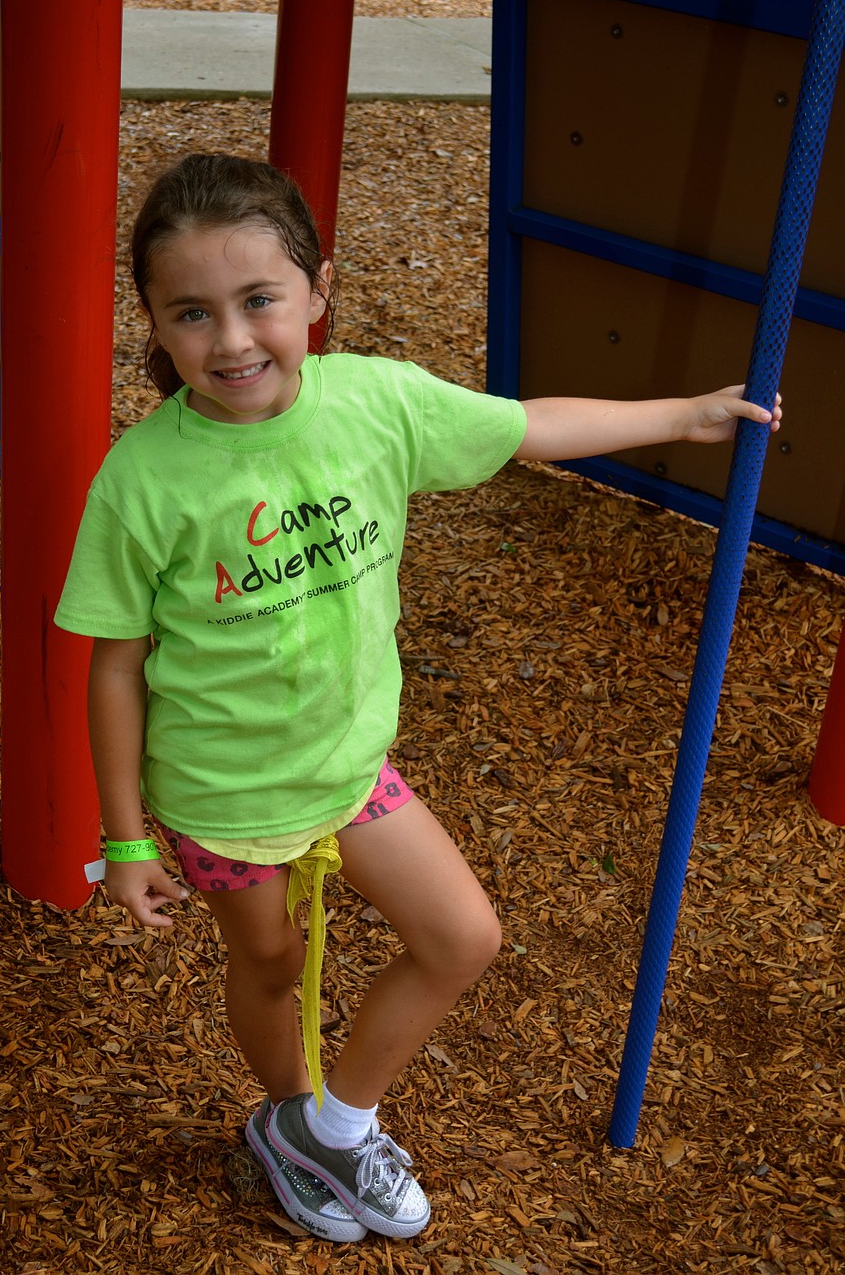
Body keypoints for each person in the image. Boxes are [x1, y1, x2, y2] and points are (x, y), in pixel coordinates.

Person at [54, 153, 781, 1245]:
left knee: (461, 934)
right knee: (266, 959)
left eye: (260, 300)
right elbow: (113, 661)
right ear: (155, 324)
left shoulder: (377, 402)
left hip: (350, 766)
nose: (233, 339)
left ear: (318, 292)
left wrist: (684, 414)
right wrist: (125, 839)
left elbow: (527, 424)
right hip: (224, 793)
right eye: (192, 313)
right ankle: (291, 1114)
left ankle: (335, 1126)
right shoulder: (145, 479)